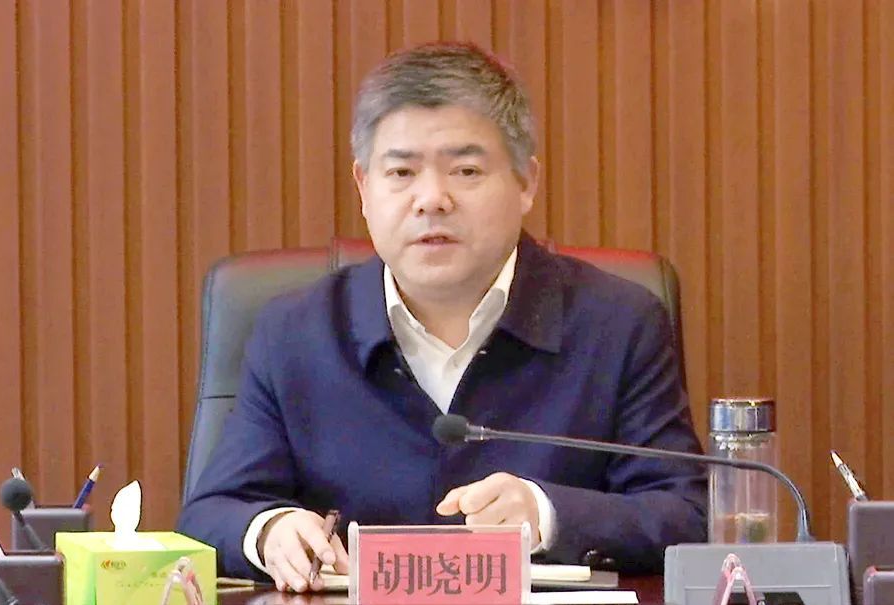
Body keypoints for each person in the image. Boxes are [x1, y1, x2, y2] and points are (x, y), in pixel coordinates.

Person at [177, 41, 707, 593]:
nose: (431, 199)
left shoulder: (618, 324)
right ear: (364, 188)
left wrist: (547, 515)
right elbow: (211, 513)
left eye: (466, 170)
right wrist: (269, 530)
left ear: (526, 182)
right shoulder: (294, 333)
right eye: (402, 172)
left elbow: (686, 514)